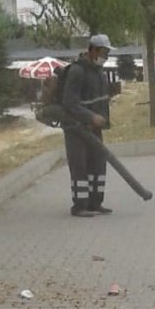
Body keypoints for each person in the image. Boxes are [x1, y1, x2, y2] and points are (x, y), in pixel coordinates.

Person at [61, 34, 115, 218]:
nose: (105, 56)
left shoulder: (98, 72)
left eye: (107, 52)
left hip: (94, 130)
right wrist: (90, 117)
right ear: (92, 50)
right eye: (103, 51)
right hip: (76, 129)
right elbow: (69, 102)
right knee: (80, 168)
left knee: (98, 166)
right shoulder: (77, 71)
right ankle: (79, 206)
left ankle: (95, 203)